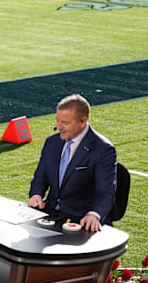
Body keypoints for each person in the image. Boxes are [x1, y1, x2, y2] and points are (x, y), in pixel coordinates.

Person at [28, 94, 116, 232]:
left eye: (65, 123)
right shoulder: (52, 142)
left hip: (81, 219)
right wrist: (36, 194)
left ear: (83, 121)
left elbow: (105, 192)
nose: (59, 127)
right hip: (50, 213)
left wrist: (94, 214)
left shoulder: (103, 149)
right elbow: (40, 178)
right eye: (57, 121)